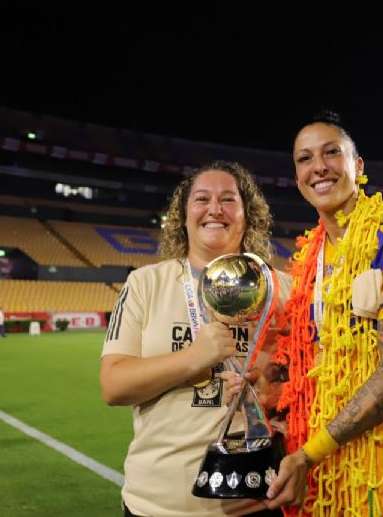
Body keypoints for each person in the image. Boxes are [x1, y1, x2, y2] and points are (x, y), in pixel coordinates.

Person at [266, 112, 383, 516]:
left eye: (332, 153)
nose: (319, 167)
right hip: (333, 481)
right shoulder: (309, 258)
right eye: (305, 158)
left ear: (358, 166)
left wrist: (307, 454)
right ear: (297, 175)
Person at [99, 161, 287, 517]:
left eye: (228, 199)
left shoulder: (282, 289)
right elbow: (113, 386)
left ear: (248, 215)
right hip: (156, 505)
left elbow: (311, 384)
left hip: (255, 502)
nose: (215, 208)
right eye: (202, 199)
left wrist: (278, 395)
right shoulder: (145, 284)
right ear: (183, 216)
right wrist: (193, 358)